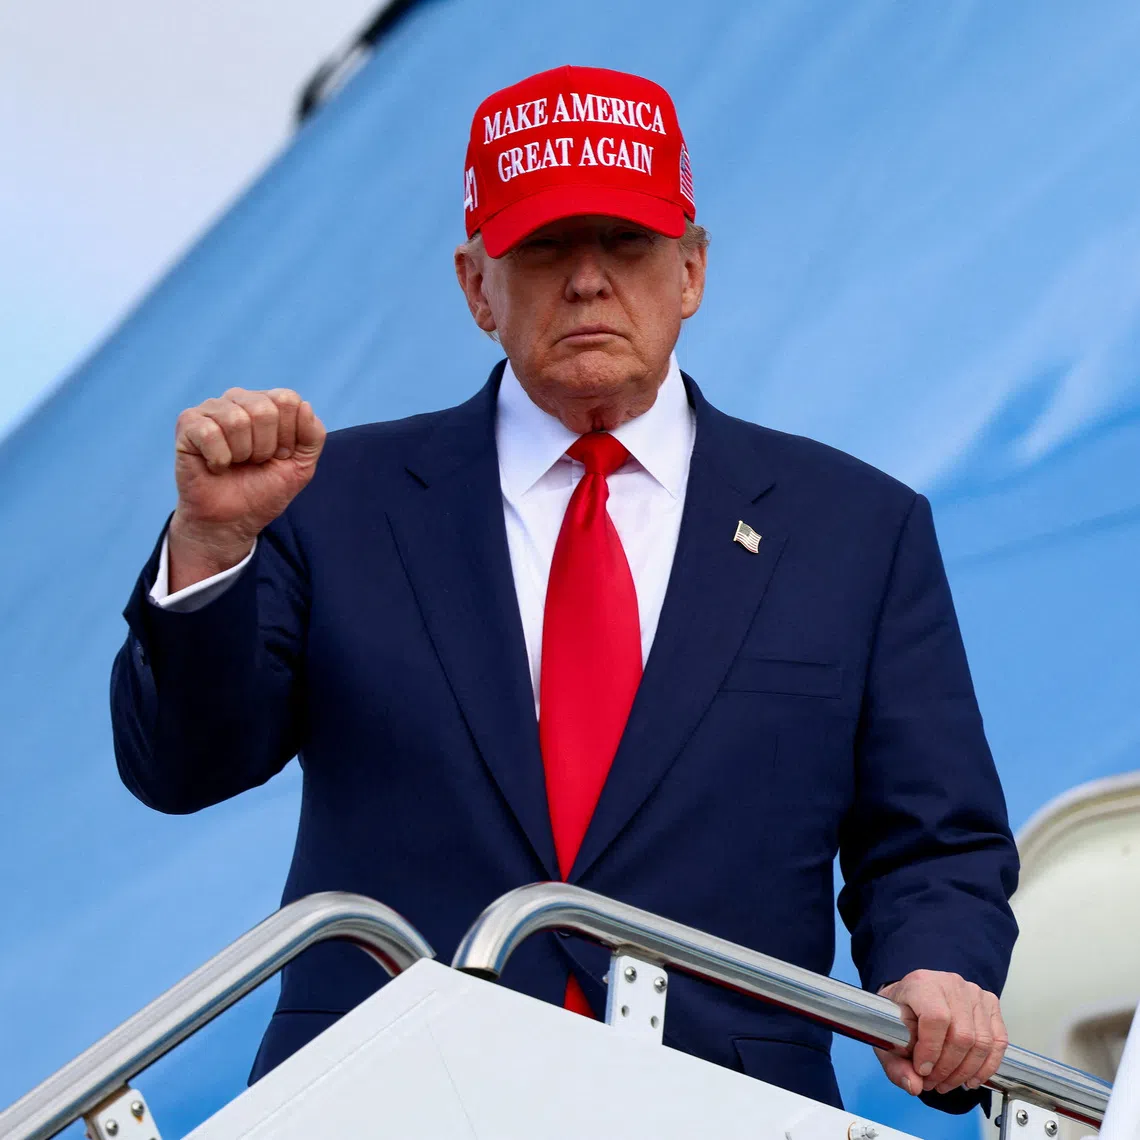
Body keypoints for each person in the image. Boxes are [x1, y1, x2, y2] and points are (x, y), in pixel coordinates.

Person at [111, 64, 1019, 1113]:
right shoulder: (328, 497)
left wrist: (938, 965)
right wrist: (212, 547)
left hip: (715, 1107)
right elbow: (184, 766)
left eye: (626, 243)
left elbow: (934, 838)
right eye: (544, 246)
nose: (588, 280)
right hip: (390, 1097)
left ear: (691, 271)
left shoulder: (856, 529)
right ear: (474, 285)